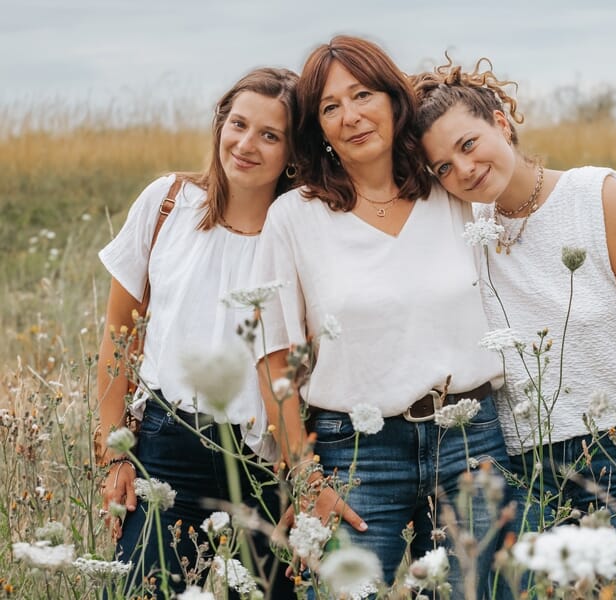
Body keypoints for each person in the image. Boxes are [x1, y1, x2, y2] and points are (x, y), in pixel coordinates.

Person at [255, 36, 510, 596]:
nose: (351, 116)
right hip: (355, 455)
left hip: (471, 439)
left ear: (394, 101)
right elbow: (277, 355)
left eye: (362, 94)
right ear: (316, 128)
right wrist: (304, 476)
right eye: (330, 106)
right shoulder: (294, 218)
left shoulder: (453, 191)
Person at [412, 60, 616, 535]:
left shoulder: (595, 194)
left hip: (613, 448)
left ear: (501, 122)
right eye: (444, 166)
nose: (464, 169)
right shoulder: (461, 224)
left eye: (468, 144)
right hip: (515, 466)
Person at [95, 67, 298, 598]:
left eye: (269, 135)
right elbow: (120, 339)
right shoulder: (168, 203)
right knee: (141, 590)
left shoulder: (302, 231)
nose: (245, 144)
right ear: (220, 125)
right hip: (168, 446)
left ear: (293, 152)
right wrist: (117, 453)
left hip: (266, 464)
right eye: (238, 124)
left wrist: (305, 474)